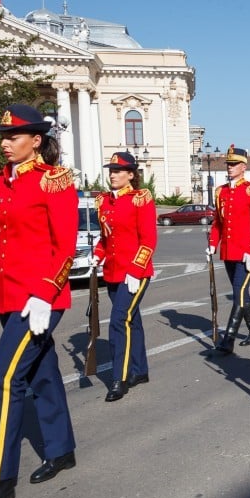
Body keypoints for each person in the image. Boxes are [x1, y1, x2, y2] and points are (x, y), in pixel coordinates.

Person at [0, 104, 78, 498]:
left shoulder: (54, 181)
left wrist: (46, 293)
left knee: (2, 381)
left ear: (36, 141)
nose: (6, 143)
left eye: (14, 136)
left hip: (40, 300)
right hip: (10, 296)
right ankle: (61, 450)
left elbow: (65, 245)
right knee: (41, 373)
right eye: (3, 136)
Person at [93, 152, 157, 402]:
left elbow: (149, 239)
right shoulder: (104, 201)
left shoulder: (140, 199)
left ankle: (119, 377)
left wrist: (135, 269)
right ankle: (140, 371)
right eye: (111, 170)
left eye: (118, 171)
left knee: (119, 321)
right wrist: (97, 255)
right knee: (133, 321)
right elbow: (106, 238)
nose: (113, 174)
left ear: (131, 174)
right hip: (112, 271)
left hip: (135, 273)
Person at [206, 145, 250, 355]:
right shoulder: (221, 191)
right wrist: (213, 243)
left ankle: (228, 339)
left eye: (234, 164)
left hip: (246, 252)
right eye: (228, 164)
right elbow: (218, 223)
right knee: (241, 292)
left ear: (243, 166)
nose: (230, 167)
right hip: (229, 251)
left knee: (239, 293)